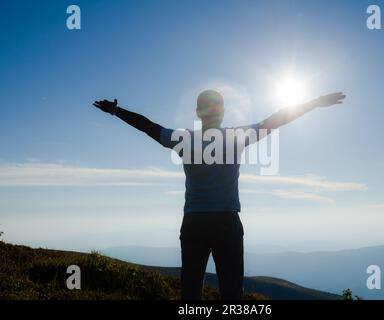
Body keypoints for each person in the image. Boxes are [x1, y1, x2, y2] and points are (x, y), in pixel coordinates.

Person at [93, 89, 345, 299]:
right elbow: (277, 119)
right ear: (222, 112)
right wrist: (315, 103)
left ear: (197, 113)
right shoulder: (236, 137)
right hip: (226, 223)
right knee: (232, 293)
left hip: (194, 222)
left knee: (190, 293)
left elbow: (148, 127)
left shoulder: (183, 139)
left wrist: (116, 111)